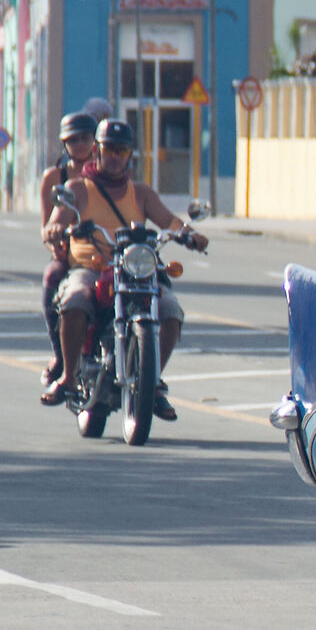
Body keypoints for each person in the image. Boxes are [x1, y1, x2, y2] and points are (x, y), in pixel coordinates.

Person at [42, 120, 208, 412]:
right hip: (90, 266)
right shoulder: (78, 188)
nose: (116, 156)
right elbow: (57, 219)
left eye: (122, 150)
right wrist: (55, 229)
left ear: (130, 155)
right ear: (97, 151)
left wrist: (189, 234)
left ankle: (152, 381)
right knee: (75, 299)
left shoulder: (141, 192)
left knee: (170, 310)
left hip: (134, 268)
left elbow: (168, 220)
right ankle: (68, 377)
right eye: (110, 149)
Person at [37, 113, 101, 390]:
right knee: (53, 278)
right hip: (69, 250)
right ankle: (60, 355)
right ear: (64, 144)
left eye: (85, 138)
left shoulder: (108, 171)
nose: (79, 144)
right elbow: (46, 226)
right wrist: (56, 244)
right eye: (72, 140)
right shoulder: (54, 177)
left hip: (104, 250)